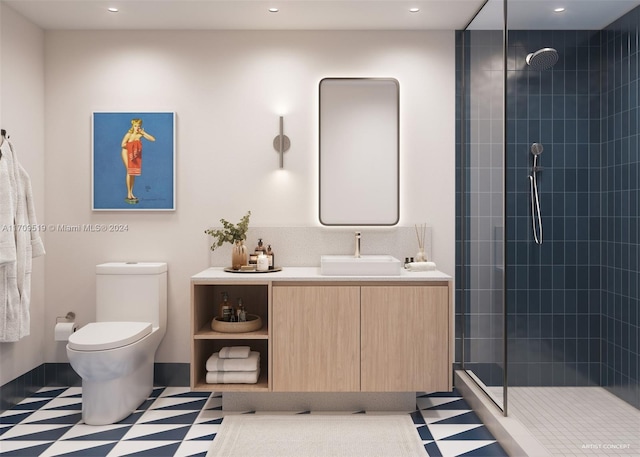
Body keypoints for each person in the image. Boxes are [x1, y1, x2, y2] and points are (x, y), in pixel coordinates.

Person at [120, 118, 155, 203]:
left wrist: (143, 133)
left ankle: (131, 193)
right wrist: (133, 144)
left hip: (135, 154)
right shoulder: (129, 134)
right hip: (126, 152)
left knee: (133, 173)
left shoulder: (140, 134)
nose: (137, 127)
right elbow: (123, 145)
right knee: (129, 171)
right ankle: (128, 193)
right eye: (135, 126)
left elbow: (152, 139)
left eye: (138, 126)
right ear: (133, 126)